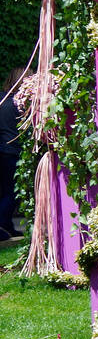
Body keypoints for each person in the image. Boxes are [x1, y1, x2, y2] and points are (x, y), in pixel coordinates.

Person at [0, 69, 22, 244]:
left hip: (3, 150)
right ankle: (2, 224)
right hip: (12, 151)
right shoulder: (17, 104)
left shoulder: (2, 100)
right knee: (11, 193)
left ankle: (6, 225)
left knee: (6, 191)